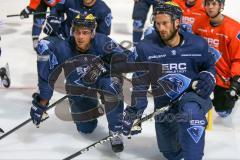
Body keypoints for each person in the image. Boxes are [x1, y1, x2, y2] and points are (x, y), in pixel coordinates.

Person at [122, 2, 216, 160]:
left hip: (192, 97)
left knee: (190, 114)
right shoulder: (146, 47)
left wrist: (209, 76)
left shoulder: (197, 44)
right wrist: (134, 112)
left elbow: (209, 65)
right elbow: (140, 83)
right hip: (164, 104)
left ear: (177, 21)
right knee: (171, 154)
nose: (161, 28)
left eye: (165, 23)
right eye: (157, 24)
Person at [30, 13, 125, 152]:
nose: (80, 37)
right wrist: (42, 101)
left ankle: (116, 130)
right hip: (79, 86)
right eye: (77, 32)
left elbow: (126, 58)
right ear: (72, 32)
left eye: (85, 33)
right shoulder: (63, 48)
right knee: (86, 128)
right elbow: (48, 76)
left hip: (103, 79)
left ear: (92, 33)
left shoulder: (103, 42)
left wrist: (102, 66)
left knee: (112, 88)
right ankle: (93, 105)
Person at [192, 0, 240, 118]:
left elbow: (238, 58)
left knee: (223, 111)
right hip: (203, 72)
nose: (210, 7)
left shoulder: (234, 28)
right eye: (207, 4)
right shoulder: (199, 23)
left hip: (224, 77)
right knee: (192, 104)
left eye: (214, 4)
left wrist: (236, 81)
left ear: (221, 6)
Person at [44, 0, 112, 38]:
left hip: (86, 45)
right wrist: (53, 20)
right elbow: (56, 8)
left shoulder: (104, 10)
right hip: (64, 37)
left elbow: (103, 35)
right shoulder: (70, 1)